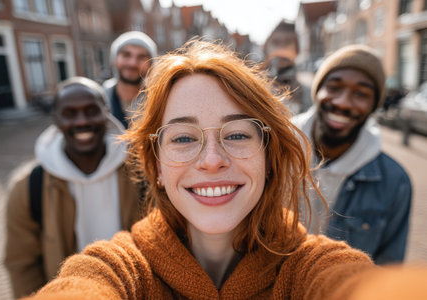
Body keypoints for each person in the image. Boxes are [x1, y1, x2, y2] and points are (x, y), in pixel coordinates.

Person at [21, 41, 424, 300]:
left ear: (268, 159)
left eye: (236, 135)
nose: (211, 159)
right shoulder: (123, 268)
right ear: (157, 165)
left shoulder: (308, 265)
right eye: (182, 138)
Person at [5, 77, 142, 298]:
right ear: (56, 119)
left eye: (91, 110)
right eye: (69, 113)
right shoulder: (29, 188)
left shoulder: (140, 171)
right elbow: (22, 264)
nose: (81, 121)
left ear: (106, 111)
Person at [292, 44, 412, 264]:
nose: (343, 102)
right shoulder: (271, 152)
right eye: (334, 87)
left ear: (373, 105)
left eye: (361, 94)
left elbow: (388, 270)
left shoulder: (395, 182)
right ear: (317, 91)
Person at [103, 31, 157, 128]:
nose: (133, 63)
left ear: (151, 64)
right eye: (126, 55)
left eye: (141, 57)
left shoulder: (159, 101)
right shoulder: (100, 99)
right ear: (114, 59)